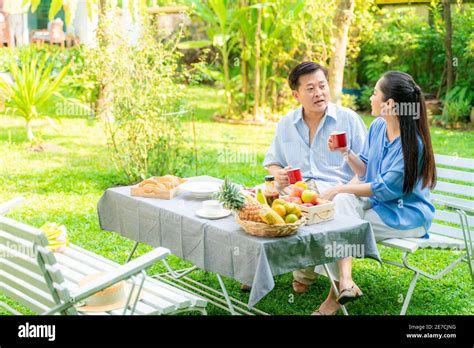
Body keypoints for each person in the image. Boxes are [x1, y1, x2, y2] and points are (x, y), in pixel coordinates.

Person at [315, 71, 436, 315]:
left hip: (406, 215)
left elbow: (382, 188)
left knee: (339, 221)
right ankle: (346, 282)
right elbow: (367, 171)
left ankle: (335, 297)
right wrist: (346, 152)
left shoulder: (412, 146)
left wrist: (340, 188)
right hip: (379, 205)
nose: (371, 98)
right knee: (341, 210)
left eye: (375, 93)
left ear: (389, 104)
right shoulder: (380, 126)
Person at [262, 61, 368, 299]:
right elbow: (273, 161)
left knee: (338, 204)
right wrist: (278, 173)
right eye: (310, 88)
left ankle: (341, 281)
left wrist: (344, 189)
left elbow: (366, 165)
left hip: (339, 188)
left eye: (322, 86)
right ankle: (266, 271)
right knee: (260, 196)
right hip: (298, 189)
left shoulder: (348, 119)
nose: (319, 93)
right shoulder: (286, 123)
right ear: (296, 94)